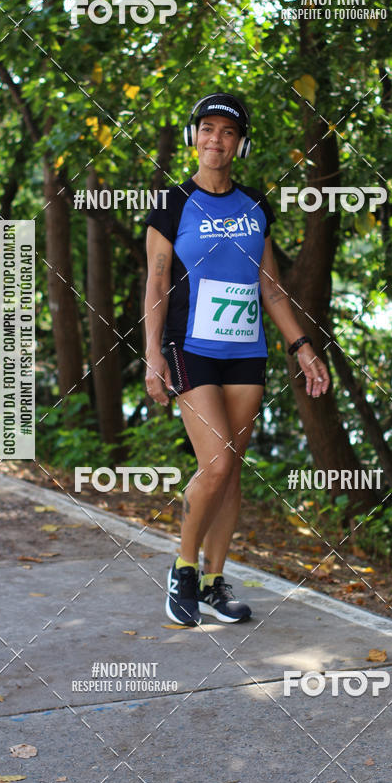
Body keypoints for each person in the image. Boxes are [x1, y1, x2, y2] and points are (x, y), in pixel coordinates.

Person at [143, 92, 330, 627]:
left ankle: (213, 581)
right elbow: (156, 282)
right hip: (189, 347)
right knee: (216, 463)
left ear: (239, 143)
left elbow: (271, 288)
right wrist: (153, 353)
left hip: (246, 351)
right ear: (193, 135)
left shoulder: (254, 207)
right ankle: (182, 569)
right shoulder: (172, 205)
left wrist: (302, 346)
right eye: (207, 128)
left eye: (227, 132)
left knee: (232, 472)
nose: (215, 140)